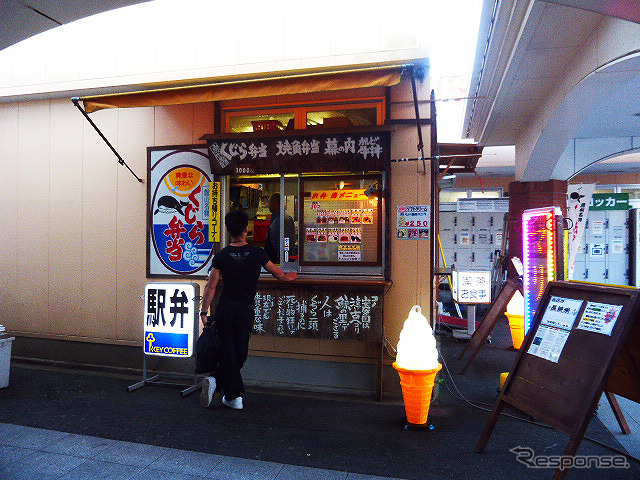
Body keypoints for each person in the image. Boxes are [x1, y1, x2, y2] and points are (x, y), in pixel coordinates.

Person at [199, 209, 297, 410]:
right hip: (245, 310)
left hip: (225, 309)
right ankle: (233, 396)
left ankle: (218, 382)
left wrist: (204, 311)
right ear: (246, 229)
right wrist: (293, 275)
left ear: (228, 230)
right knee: (240, 354)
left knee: (229, 352)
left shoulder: (221, 256)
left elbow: (211, 286)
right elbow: (280, 274)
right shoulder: (257, 253)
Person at [264, 192, 296, 263]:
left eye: (270, 202)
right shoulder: (276, 218)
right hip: (273, 258)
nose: (268, 205)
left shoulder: (283, 219)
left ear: (276, 203)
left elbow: (286, 240)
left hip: (279, 260)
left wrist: (282, 259)